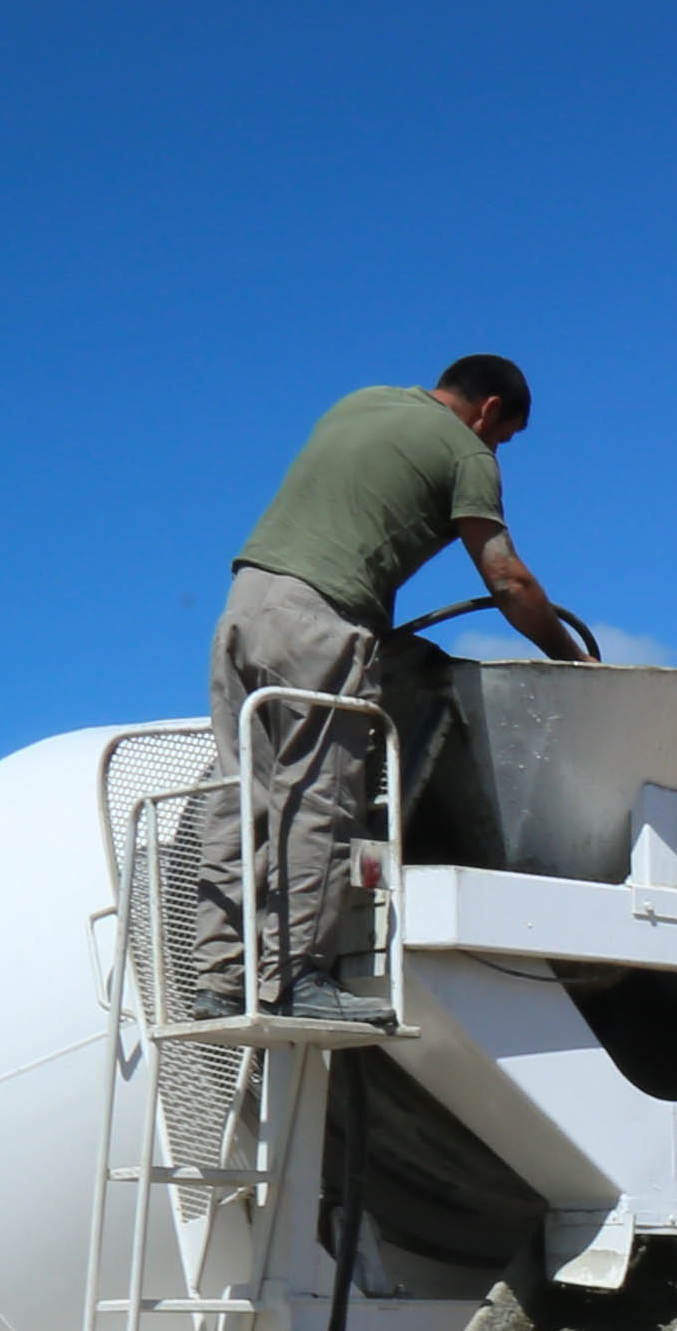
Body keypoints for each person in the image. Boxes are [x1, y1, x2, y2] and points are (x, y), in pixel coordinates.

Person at [205, 355, 586, 1007]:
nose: (498, 447)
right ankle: (295, 981)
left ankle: (218, 977)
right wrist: (572, 659)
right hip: (318, 622)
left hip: (244, 606)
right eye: (504, 435)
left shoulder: (363, 400)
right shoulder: (467, 454)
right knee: (318, 798)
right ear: (489, 410)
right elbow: (506, 580)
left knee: (243, 797)